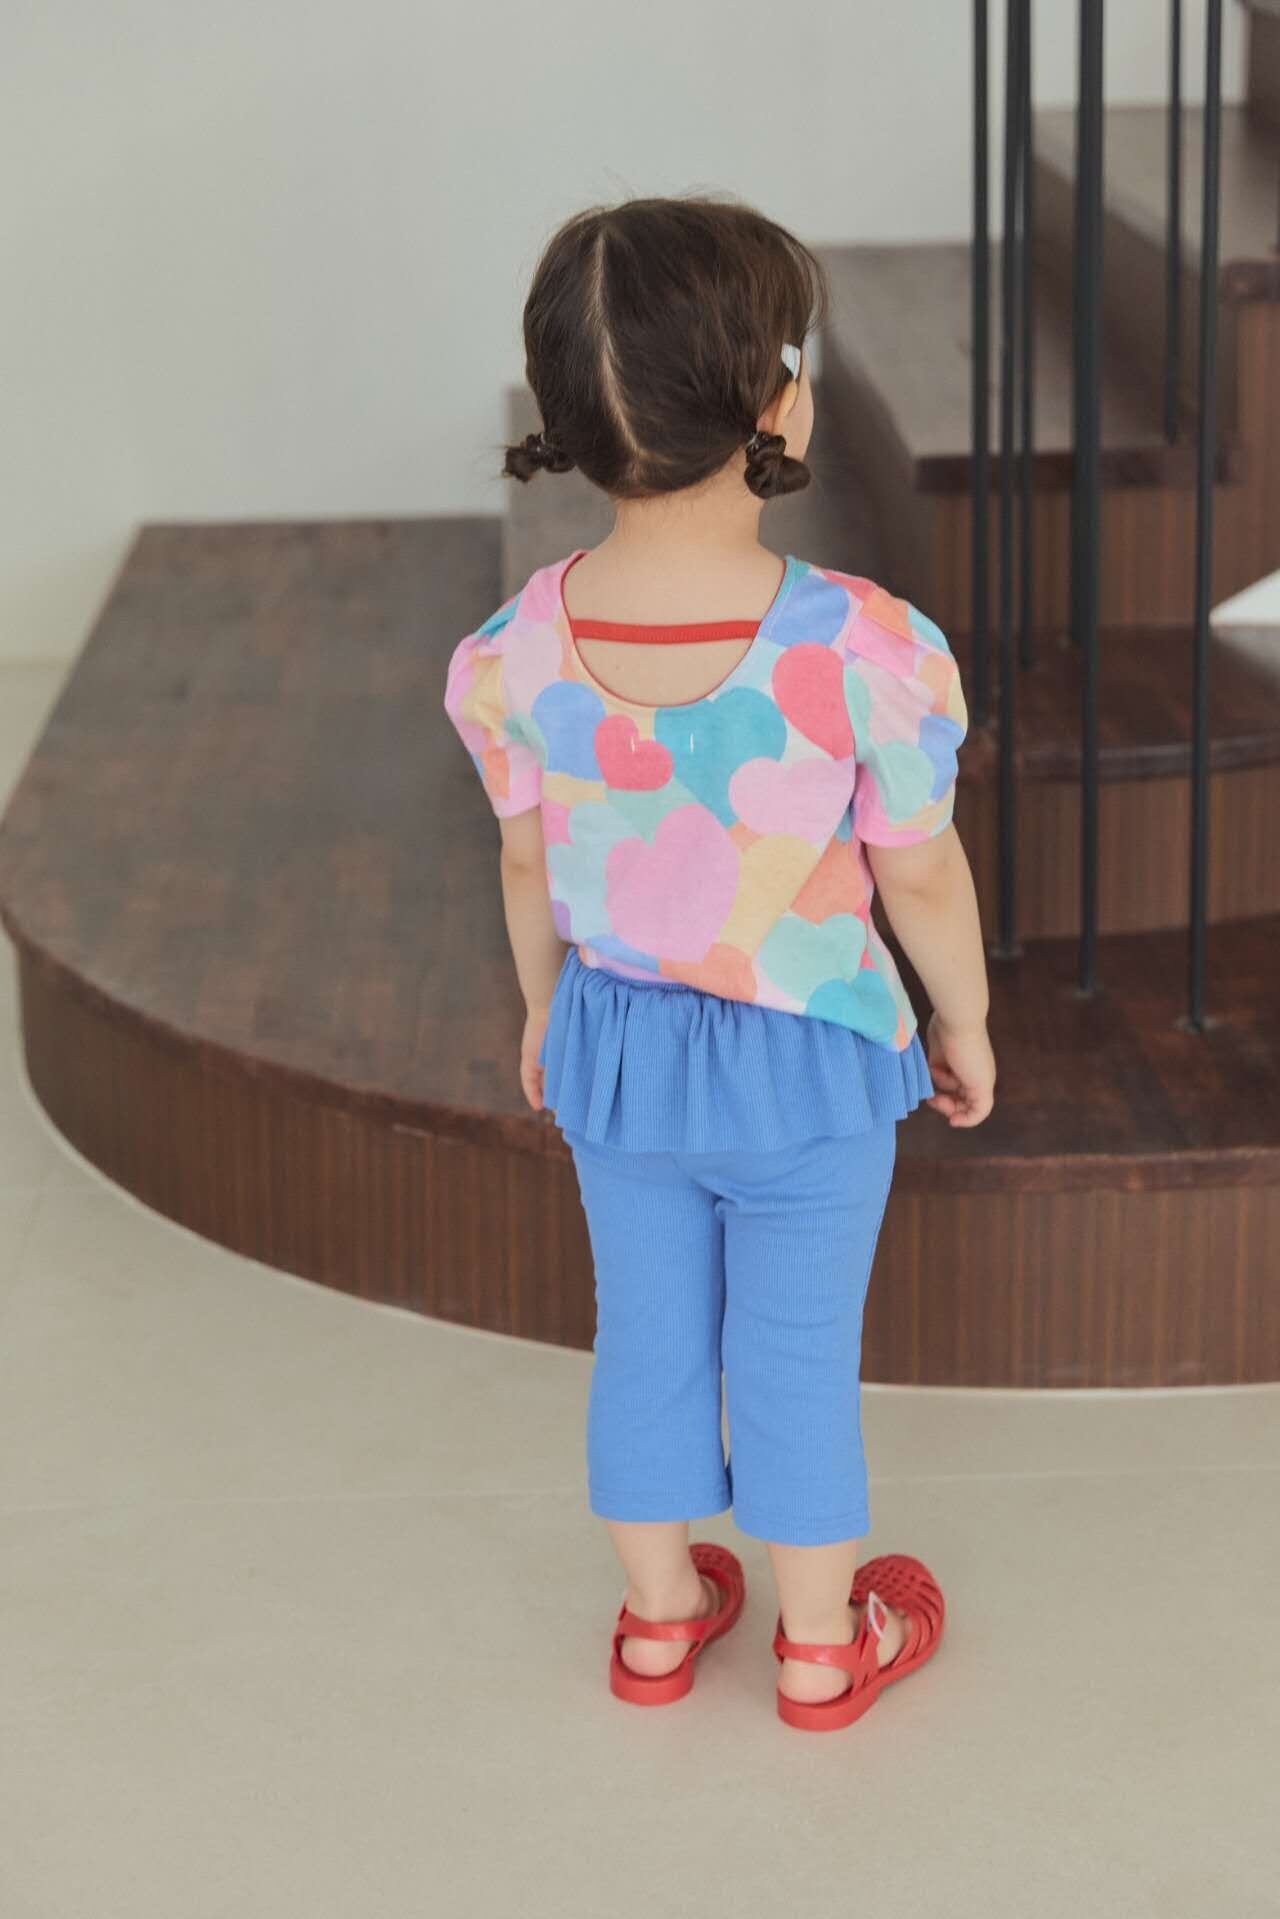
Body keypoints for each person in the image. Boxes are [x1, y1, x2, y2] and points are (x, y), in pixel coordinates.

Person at [444, 196, 995, 1732]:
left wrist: (546, 1014)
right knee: (797, 1357)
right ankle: (820, 1648)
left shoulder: (513, 653)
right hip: (810, 1063)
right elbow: (920, 870)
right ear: (779, 403)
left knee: (646, 1341)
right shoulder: (864, 647)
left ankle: (658, 1619)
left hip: (621, 1056)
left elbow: (525, 866)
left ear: (568, 420)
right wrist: (961, 1018)